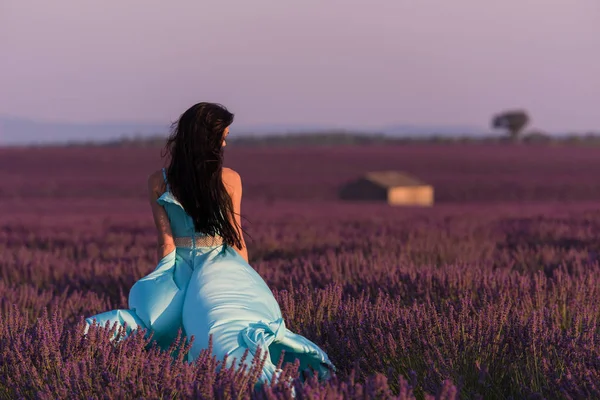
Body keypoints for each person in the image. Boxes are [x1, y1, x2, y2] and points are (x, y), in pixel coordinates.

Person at [83, 102, 335, 387]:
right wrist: (244, 278)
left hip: (180, 265)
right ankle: (257, 381)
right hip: (219, 267)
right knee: (226, 328)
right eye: (223, 135)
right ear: (210, 138)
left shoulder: (158, 181)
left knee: (154, 325)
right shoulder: (229, 179)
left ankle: (84, 339)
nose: (225, 141)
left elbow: (165, 243)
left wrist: (164, 280)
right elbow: (235, 236)